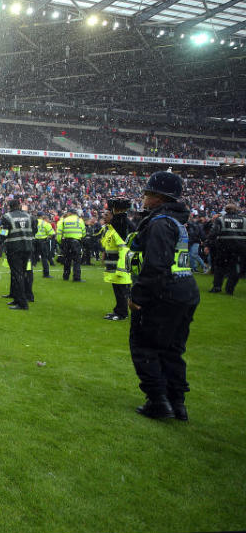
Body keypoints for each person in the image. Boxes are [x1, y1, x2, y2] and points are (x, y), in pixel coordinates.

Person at [126, 171, 199, 421]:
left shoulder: (160, 223)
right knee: (171, 351)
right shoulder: (176, 221)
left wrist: (138, 295)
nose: (144, 198)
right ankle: (177, 403)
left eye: (148, 194)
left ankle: (158, 401)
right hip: (184, 290)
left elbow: (156, 264)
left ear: (159, 197)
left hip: (163, 293)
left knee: (144, 347)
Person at [0, 199, 37, 310]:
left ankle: (22, 303)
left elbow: (3, 235)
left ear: (10, 206)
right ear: (19, 205)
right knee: (23, 274)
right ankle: (19, 298)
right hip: (28, 249)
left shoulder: (7, 217)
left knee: (17, 275)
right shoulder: (29, 216)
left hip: (14, 249)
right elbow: (34, 231)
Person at [99, 198, 133, 321]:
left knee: (121, 289)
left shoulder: (118, 226)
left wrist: (121, 264)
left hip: (120, 264)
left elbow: (123, 246)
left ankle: (122, 313)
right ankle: (119, 310)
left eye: (107, 215)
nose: (104, 216)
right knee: (118, 288)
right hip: (114, 263)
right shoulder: (113, 227)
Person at [207, 203, 246, 295]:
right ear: (236, 210)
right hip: (239, 248)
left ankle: (217, 287)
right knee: (235, 268)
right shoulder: (244, 220)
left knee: (220, 268)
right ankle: (230, 289)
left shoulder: (220, 219)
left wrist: (207, 244)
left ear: (226, 210)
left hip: (223, 247)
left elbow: (213, 233)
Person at [57, 209, 86, 281]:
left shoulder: (64, 220)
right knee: (76, 260)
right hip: (76, 241)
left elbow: (59, 232)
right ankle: (76, 277)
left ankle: (65, 276)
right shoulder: (79, 220)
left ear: (69, 213)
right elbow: (84, 232)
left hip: (66, 241)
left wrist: (60, 241)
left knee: (67, 260)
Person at [32, 212, 55, 277]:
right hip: (43, 242)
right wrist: (47, 237)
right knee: (44, 258)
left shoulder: (33, 222)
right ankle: (46, 274)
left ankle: (28, 273)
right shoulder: (45, 223)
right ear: (43, 216)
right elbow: (52, 233)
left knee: (32, 258)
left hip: (34, 241)